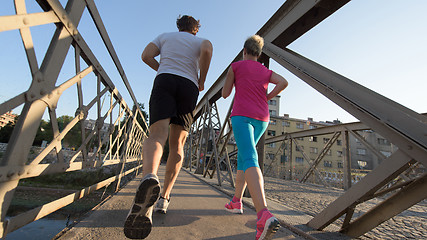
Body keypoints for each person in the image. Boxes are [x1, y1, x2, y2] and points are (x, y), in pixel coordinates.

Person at [124, 15, 213, 239]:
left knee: (157, 134)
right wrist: (201, 79)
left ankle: (148, 177)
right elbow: (208, 51)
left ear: (178, 27)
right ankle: (164, 197)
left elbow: (145, 56)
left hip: (165, 79)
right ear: (195, 29)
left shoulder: (164, 37)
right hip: (189, 86)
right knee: (177, 144)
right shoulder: (200, 40)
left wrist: (161, 67)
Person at [222, 35, 288, 240]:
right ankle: (236, 201)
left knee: (249, 157)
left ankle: (263, 215)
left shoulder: (236, 66)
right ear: (259, 54)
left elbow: (224, 94)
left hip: (242, 116)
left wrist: (235, 82)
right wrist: (266, 97)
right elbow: (284, 82)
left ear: (244, 51)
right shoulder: (265, 71)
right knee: (244, 157)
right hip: (262, 118)